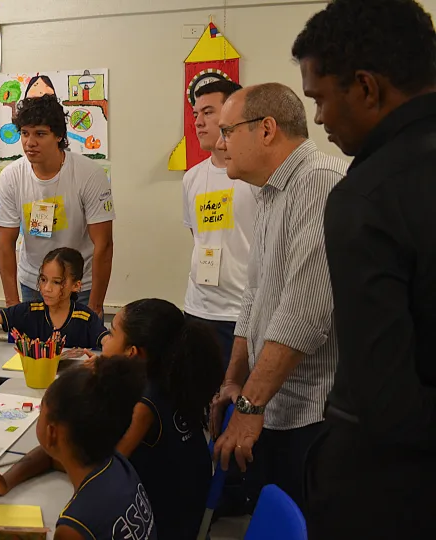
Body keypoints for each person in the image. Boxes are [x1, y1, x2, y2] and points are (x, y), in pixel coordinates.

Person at [292, 1, 436, 536]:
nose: (321, 119)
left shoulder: (368, 195)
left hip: (396, 492)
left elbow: (386, 402)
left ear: (367, 87)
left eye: (322, 99)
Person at [209, 83, 347, 508]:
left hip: (313, 413)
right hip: (275, 402)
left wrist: (249, 405)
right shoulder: (269, 191)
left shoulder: (318, 182)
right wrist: (234, 379)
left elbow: (303, 316)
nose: (219, 143)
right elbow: (255, 295)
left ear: (266, 130)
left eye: (228, 131)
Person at [0, 358, 153, 540]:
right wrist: (4, 483)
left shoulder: (74, 527)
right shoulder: (114, 461)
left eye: (40, 411)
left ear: (51, 433)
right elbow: (50, 457)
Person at [105, 299, 223, 540]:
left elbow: (107, 469)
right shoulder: (172, 381)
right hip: (186, 516)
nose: (104, 341)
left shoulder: (145, 407)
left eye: (111, 334)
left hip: (162, 527)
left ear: (132, 352)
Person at [0, 94, 115, 317]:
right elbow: (4, 244)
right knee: (34, 349)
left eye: (40, 134)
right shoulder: (11, 176)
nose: (30, 143)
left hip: (79, 284)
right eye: (24, 133)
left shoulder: (89, 174)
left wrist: (96, 305)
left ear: (59, 135)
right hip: (33, 283)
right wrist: (12, 304)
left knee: (78, 350)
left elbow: (104, 244)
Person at [182, 79, 256, 368]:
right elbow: (198, 237)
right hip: (198, 307)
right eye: (196, 114)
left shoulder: (255, 178)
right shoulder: (192, 178)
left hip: (241, 313)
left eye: (208, 113)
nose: (199, 122)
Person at [0, 247, 110, 363]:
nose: (46, 288)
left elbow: (109, 341)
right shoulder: (30, 310)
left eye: (56, 282)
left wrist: (103, 358)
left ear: (76, 285)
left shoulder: (85, 317)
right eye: (43, 279)